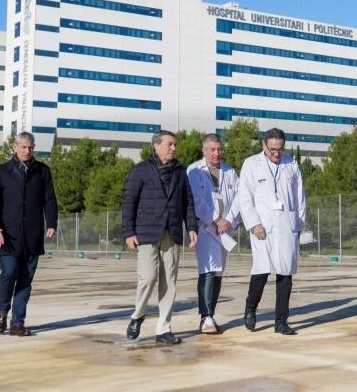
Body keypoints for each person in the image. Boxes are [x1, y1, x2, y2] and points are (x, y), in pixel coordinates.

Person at [121, 130, 198, 344]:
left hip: (171, 233)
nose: (174, 148)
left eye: (175, 145)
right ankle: (137, 315)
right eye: (170, 144)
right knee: (147, 277)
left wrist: (191, 227)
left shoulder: (180, 172)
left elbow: (188, 203)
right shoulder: (140, 171)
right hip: (146, 232)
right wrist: (129, 232)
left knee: (169, 282)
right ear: (156, 145)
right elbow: (129, 202)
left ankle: (163, 329)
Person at [0, 132, 58, 337]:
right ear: (15, 148)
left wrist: (51, 222)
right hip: (7, 236)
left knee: (25, 281)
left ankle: (17, 323)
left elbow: (50, 199)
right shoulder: (2, 172)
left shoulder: (42, 171)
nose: (27, 151)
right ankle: (2, 310)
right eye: (23, 147)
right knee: (9, 273)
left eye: (30, 147)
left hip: (33, 235)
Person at [238, 128, 306, 335]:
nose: (277, 154)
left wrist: (299, 224)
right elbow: (245, 198)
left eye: (280, 149)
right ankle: (250, 308)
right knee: (261, 271)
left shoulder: (291, 164)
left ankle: (281, 321)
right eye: (272, 150)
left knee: (285, 274)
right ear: (264, 146)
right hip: (262, 227)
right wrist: (253, 223)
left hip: (286, 225)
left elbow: (300, 197)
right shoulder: (251, 164)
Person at [187, 133, 240, 334]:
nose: (217, 153)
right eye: (212, 149)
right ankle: (205, 317)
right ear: (204, 150)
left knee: (218, 272)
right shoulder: (194, 171)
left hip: (224, 230)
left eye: (219, 149)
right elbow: (196, 201)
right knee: (207, 270)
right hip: (206, 228)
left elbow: (239, 199)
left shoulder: (230, 172)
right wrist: (216, 220)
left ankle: (211, 313)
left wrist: (228, 221)